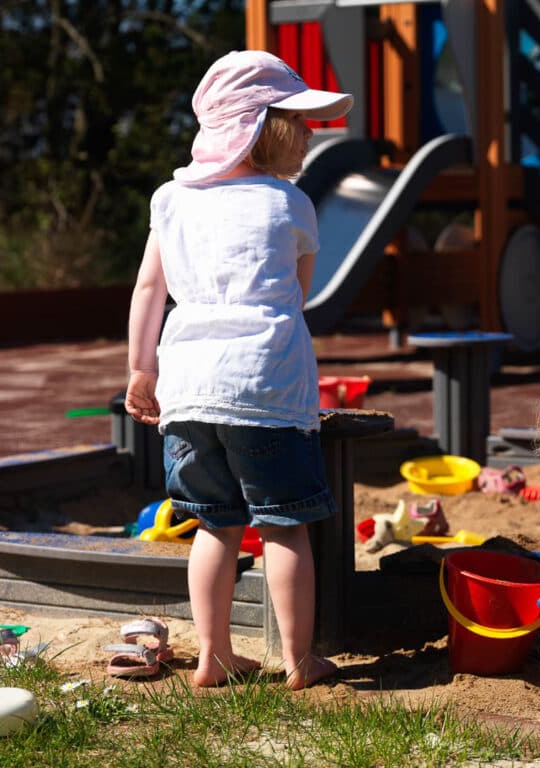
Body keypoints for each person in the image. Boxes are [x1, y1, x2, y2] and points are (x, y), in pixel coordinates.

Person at [124, 50, 354, 690]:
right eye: (298, 120)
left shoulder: (170, 199)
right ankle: (300, 659)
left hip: (189, 388)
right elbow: (296, 296)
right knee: (284, 527)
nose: (310, 132)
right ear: (260, 127)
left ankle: (213, 654)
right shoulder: (290, 204)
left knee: (215, 526)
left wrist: (141, 371)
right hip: (266, 388)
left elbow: (149, 290)